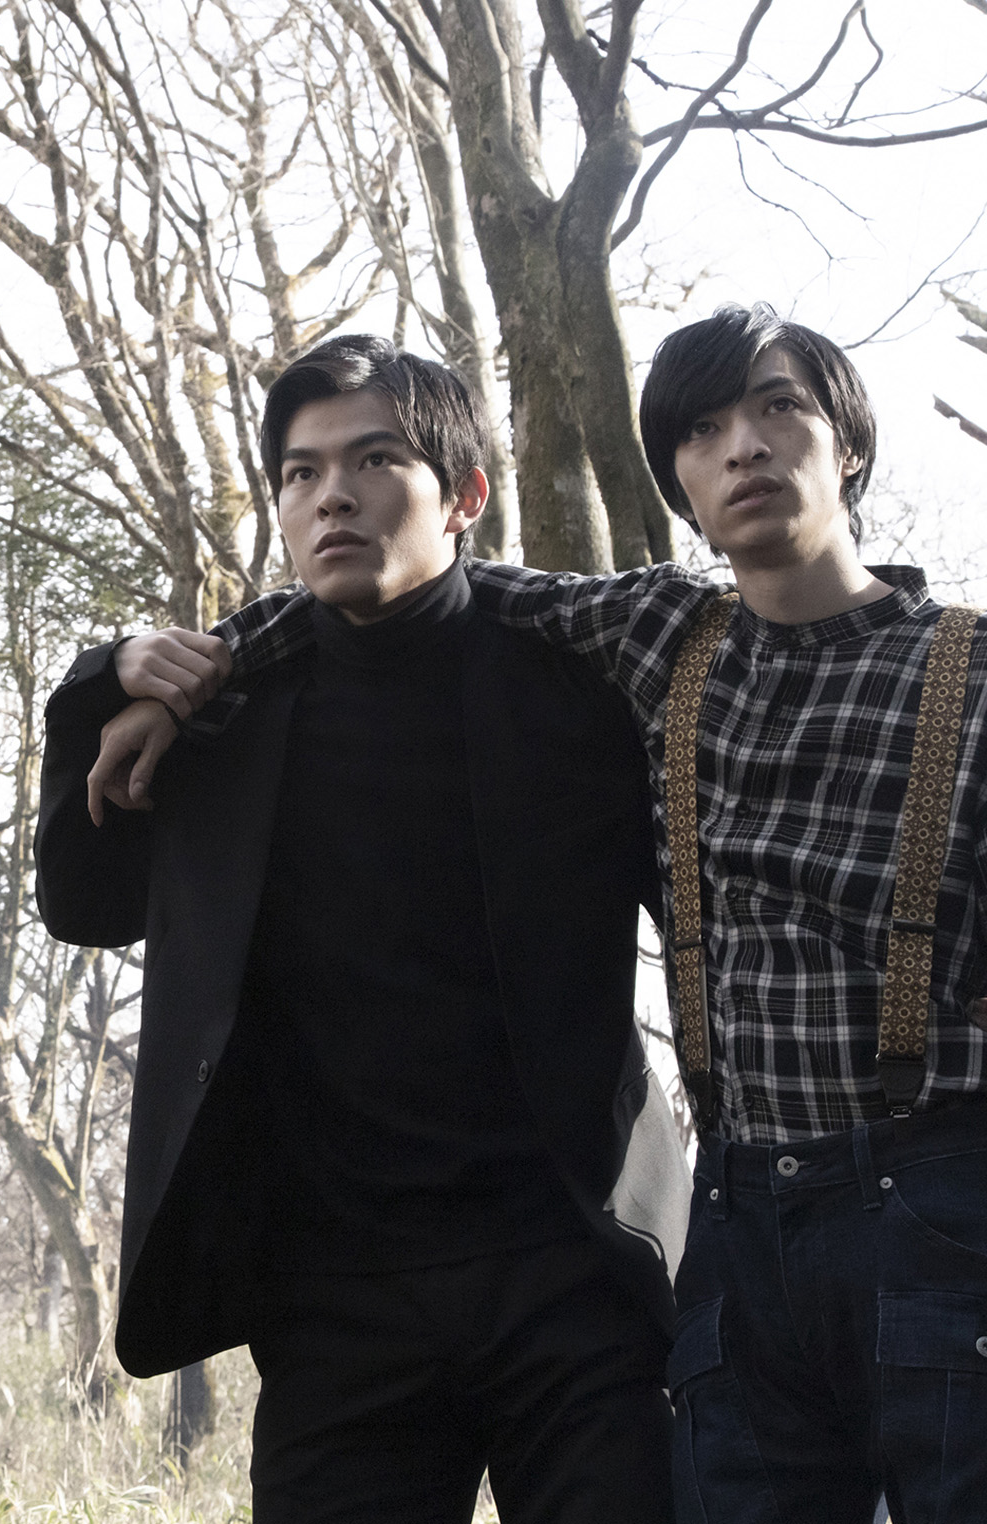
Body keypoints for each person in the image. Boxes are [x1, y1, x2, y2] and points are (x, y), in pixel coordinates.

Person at [118, 305, 987, 1520]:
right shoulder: (661, 637)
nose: (743, 446)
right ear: (678, 482)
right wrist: (155, 670)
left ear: (848, 446)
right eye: (702, 429)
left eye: (779, 408)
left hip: (946, 1208)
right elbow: (396, 586)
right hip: (739, 1227)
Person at [36, 334, 687, 1522]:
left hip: (574, 1268)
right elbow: (84, 902)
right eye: (301, 472)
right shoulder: (230, 718)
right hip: (336, 1297)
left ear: (465, 495)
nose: (331, 494)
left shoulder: (575, 688)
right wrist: (110, 679)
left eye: (375, 459)